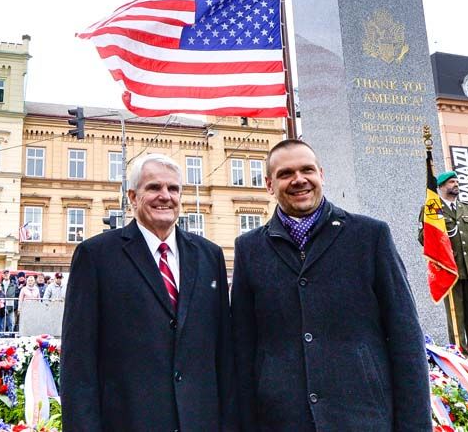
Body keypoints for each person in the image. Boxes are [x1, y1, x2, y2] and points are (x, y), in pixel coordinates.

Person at [232, 139, 429, 431]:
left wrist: (415, 426)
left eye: (307, 170)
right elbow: (243, 345)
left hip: (362, 417)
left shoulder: (369, 236)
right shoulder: (249, 249)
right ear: (269, 185)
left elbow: (405, 337)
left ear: (321, 174)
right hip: (282, 419)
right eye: (286, 174)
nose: (299, 180)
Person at [62, 153, 235, 431]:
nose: (165, 196)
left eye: (173, 188)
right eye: (154, 187)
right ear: (132, 197)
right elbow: (78, 363)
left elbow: (223, 353)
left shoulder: (209, 256)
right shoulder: (95, 256)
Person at [419, 170, 468, 370]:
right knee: (456, 316)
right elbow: (424, 240)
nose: (455, 185)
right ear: (440, 187)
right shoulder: (432, 209)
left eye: (457, 181)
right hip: (450, 270)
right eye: (451, 182)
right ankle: (461, 356)